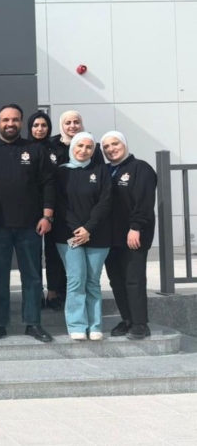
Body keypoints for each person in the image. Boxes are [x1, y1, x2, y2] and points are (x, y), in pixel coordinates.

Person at [0, 104, 55, 342]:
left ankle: (33, 323)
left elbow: (48, 183)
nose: (10, 124)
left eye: (15, 119)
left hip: (31, 225)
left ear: (21, 122)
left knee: (32, 277)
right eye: (5, 120)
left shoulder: (35, 149)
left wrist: (47, 216)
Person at [53, 132, 112, 341]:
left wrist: (88, 228)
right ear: (72, 147)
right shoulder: (61, 172)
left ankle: (95, 326)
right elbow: (59, 203)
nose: (84, 150)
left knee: (93, 282)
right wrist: (78, 228)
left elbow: (106, 201)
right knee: (76, 280)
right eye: (80, 146)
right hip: (69, 236)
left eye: (89, 147)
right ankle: (77, 325)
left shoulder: (101, 171)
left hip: (98, 235)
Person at [102, 131, 156, 340]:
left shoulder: (141, 168)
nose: (111, 149)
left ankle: (140, 323)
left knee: (133, 279)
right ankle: (127, 320)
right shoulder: (106, 170)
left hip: (134, 234)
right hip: (110, 236)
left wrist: (136, 227)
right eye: (106, 146)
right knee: (116, 280)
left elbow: (144, 201)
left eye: (115, 144)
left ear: (124, 144)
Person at [28, 112, 65, 311]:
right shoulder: (24, 148)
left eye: (44, 125)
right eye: (36, 125)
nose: (40, 129)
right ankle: (36, 293)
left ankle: (53, 292)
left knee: (53, 253)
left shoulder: (57, 149)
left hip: (55, 208)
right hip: (32, 208)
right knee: (33, 255)